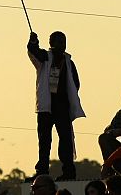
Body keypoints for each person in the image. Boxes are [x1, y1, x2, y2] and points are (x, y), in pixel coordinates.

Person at [27, 30, 86, 181]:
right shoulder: (45, 58)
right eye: (59, 42)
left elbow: (75, 83)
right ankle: (42, 171)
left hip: (62, 106)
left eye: (64, 42)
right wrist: (33, 42)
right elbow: (33, 52)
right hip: (46, 106)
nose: (62, 45)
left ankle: (68, 171)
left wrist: (68, 98)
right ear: (51, 43)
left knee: (66, 140)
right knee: (44, 140)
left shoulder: (68, 62)